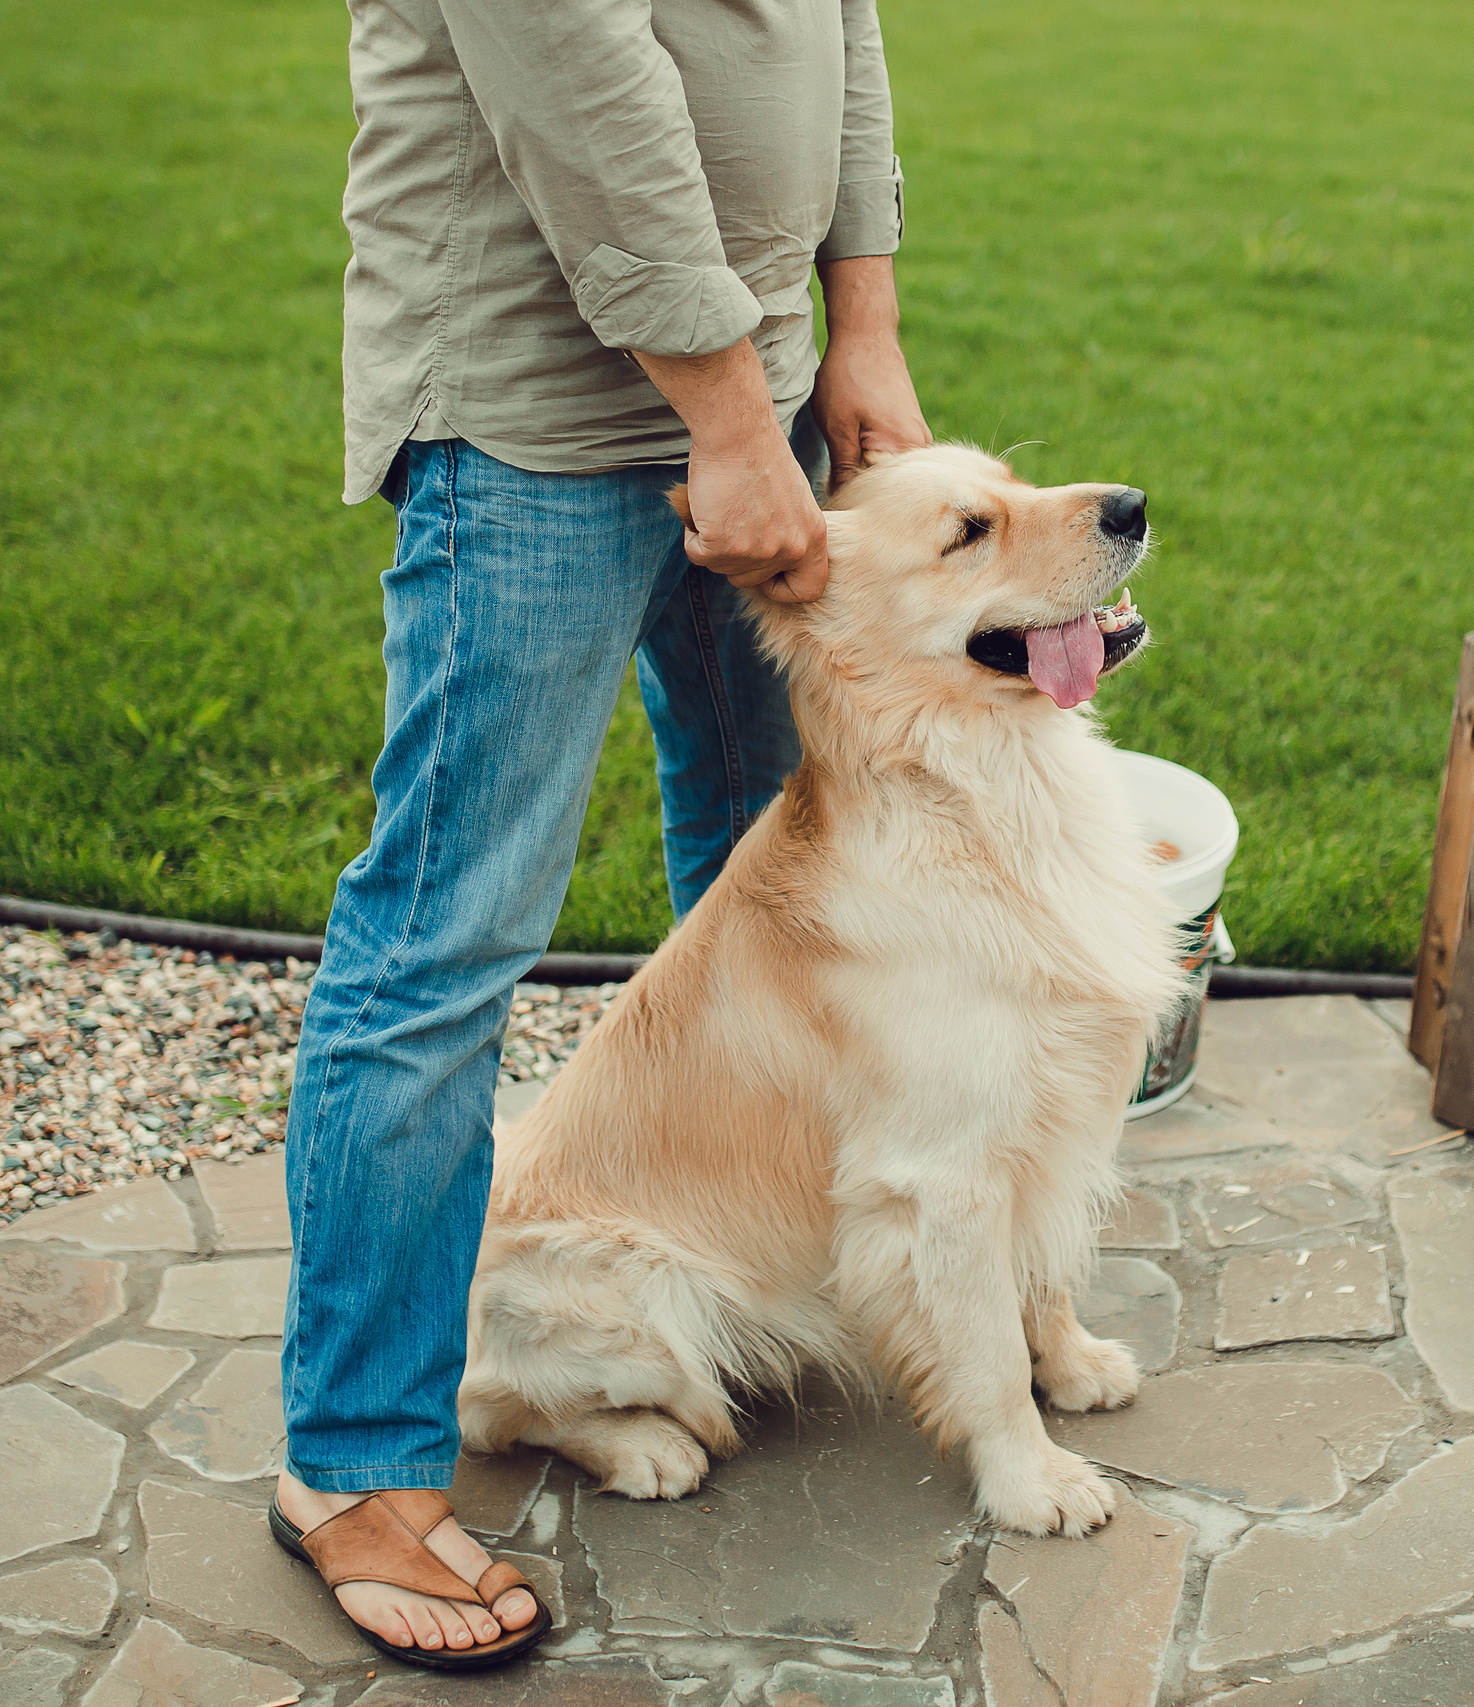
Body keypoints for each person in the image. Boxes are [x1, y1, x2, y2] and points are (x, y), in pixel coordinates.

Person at [273, 0, 930, 1669]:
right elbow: (578, 81)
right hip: (535, 432)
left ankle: (738, 1270)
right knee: (444, 939)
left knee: (783, 870)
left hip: (759, 398)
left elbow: (832, 23)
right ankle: (353, 1464)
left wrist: (859, 325)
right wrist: (731, 420)